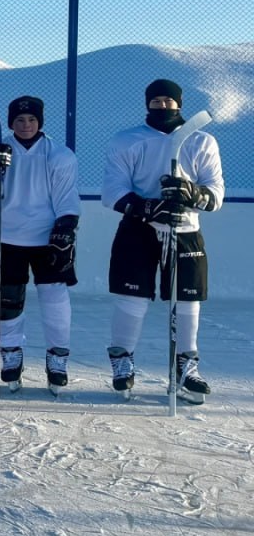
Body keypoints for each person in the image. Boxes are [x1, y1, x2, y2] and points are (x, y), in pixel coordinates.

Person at [101, 78, 224, 402]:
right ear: (147, 103)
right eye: (155, 101)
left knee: (187, 300)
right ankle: (123, 360)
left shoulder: (201, 140)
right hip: (137, 229)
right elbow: (112, 190)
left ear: (179, 103)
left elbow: (216, 194)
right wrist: (148, 207)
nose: (162, 106)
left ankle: (186, 366)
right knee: (133, 298)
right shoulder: (127, 140)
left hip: (184, 230)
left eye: (168, 101)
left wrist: (191, 192)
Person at [0, 96, 81, 393]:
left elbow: (66, 198)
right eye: (20, 120)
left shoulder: (59, 155)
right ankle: (11, 355)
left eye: (32, 120)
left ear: (40, 122)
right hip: (8, 237)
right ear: (10, 123)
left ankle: (57, 357)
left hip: (48, 238)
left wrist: (66, 227)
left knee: (54, 298)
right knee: (9, 300)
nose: (26, 125)